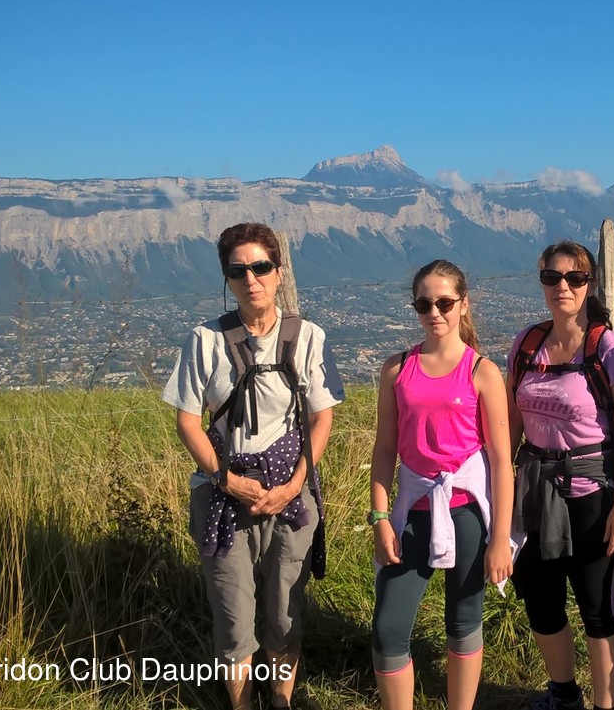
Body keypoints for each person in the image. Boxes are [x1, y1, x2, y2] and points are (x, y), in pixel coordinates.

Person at [163, 222, 345, 710]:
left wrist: (295, 484)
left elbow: (321, 417)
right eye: (238, 271)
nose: (251, 279)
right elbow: (187, 421)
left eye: (261, 267)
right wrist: (226, 480)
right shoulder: (204, 340)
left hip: (290, 494)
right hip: (223, 495)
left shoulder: (308, 337)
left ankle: (281, 700)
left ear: (279, 271)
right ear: (227, 278)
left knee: (285, 612)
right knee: (233, 617)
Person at [367, 259, 515, 710]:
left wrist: (500, 539)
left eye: (445, 303)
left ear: (463, 304)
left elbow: (501, 461)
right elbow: (384, 448)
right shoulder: (397, 370)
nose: (435, 312)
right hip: (412, 509)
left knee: (464, 622)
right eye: (424, 304)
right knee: (388, 629)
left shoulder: (482, 372)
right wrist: (379, 517)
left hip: (466, 511)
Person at [507, 241, 614, 710]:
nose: (562, 286)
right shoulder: (527, 343)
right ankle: (564, 694)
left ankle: (605, 706)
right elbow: (512, 422)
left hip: (593, 492)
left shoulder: (610, 349)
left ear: (591, 283)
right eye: (552, 277)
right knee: (540, 601)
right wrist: (497, 490)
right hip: (534, 489)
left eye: (575, 278)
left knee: (597, 607)